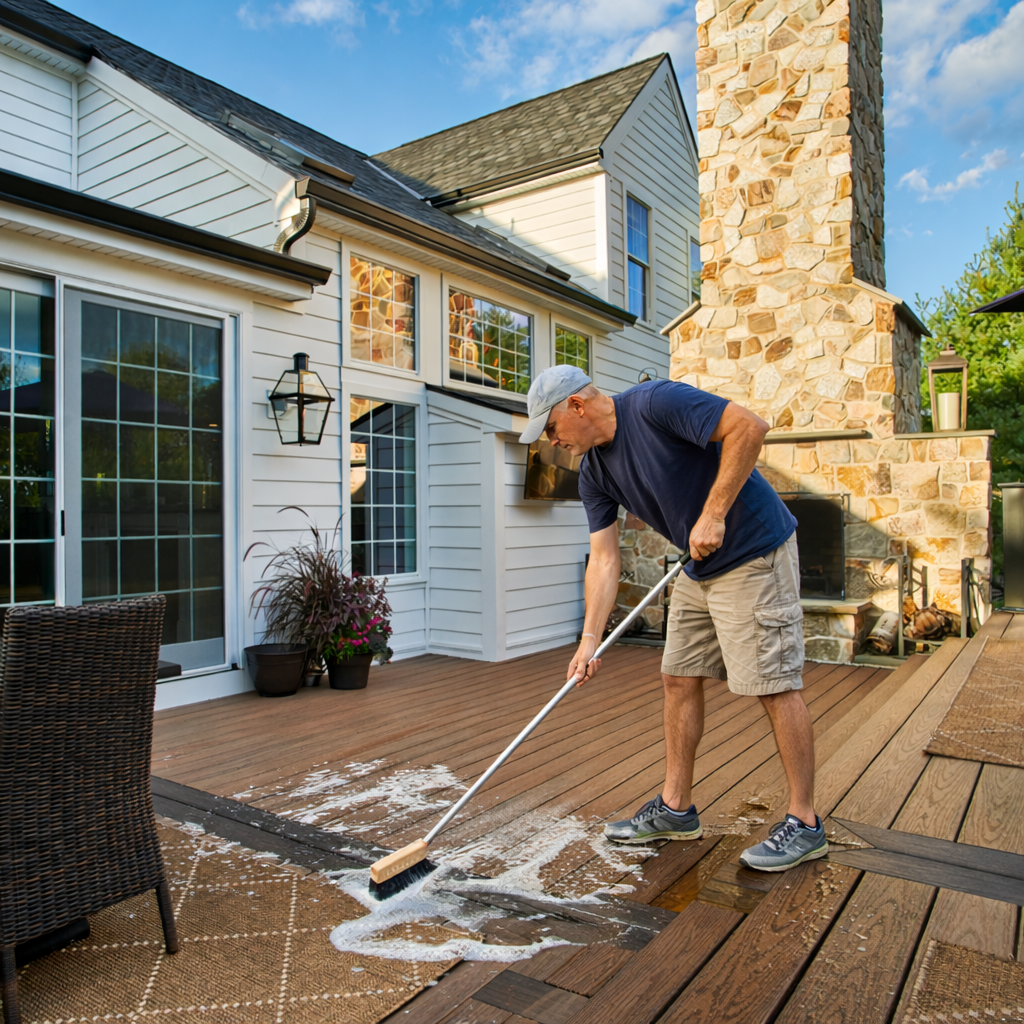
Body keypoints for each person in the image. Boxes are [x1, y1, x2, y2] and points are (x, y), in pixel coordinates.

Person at [518, 365, 827, 872]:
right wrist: (589, 638)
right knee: (678, 677)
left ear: (576, 405)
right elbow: (604, 559)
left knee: (772, 685)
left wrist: (714, 513)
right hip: (698, 565)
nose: (552, 442)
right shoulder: (594, 473)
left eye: (551, 429)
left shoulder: (655, 403)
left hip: (753, 551)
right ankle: (676, 808)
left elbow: (749, 427)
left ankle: (805, 822)